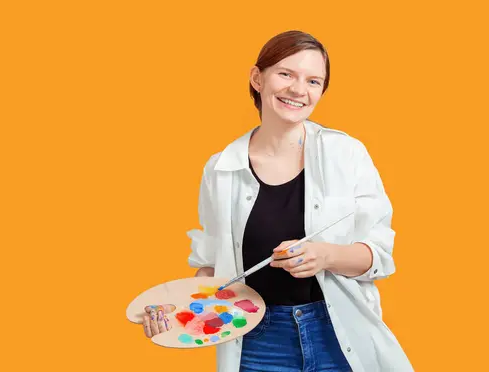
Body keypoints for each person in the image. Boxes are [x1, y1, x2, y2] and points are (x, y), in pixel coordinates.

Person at [143, 31, 413, 372]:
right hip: (257, 341)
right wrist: (175, 308)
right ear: (258, 78)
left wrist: (325, 255)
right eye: (286, 74)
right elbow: (213, 268)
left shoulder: (347, 153)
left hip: (338, 334)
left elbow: (379, 256)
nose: (299, 90)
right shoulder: (221, 168)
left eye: (313, 80)